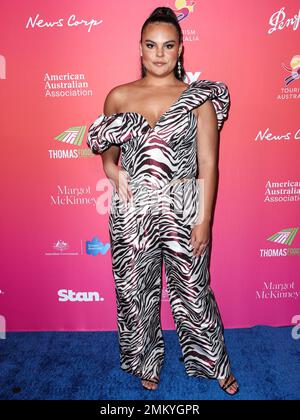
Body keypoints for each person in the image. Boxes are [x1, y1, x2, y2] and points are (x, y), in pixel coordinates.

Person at [87, 6, 239, 396]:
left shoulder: (198, 99)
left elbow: (208, 163)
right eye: (151, 45)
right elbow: (106, 148)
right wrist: (111, 170)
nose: (159, 54)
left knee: (194, 288)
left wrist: (203, 219)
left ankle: (213, 363)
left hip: (185, 203)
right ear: (140, 49)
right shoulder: (118, 96)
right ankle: (145, 360)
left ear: (180, 49)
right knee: (136, 291)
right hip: (132, 209)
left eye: (168, 46)